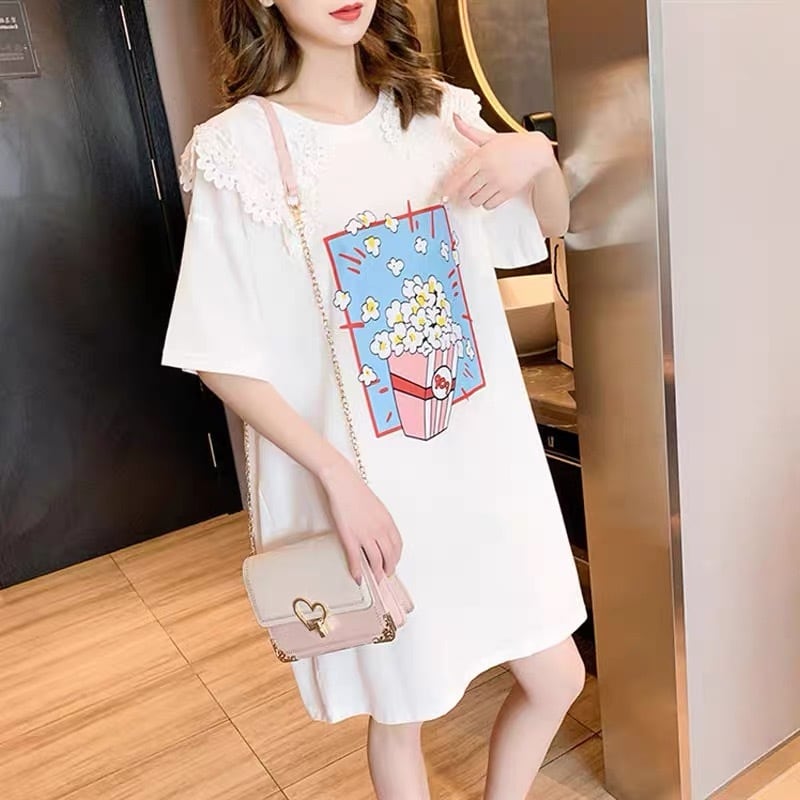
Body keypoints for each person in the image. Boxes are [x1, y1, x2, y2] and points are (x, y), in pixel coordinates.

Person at [162, 1, 588, 797]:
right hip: (376, 497)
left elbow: (548, 228)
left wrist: (536, 155)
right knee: (404, 709)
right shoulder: (238, 150)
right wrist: (339, 479)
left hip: (486, 476)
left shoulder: (439, 115)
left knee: (558, 676)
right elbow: (218, 356)